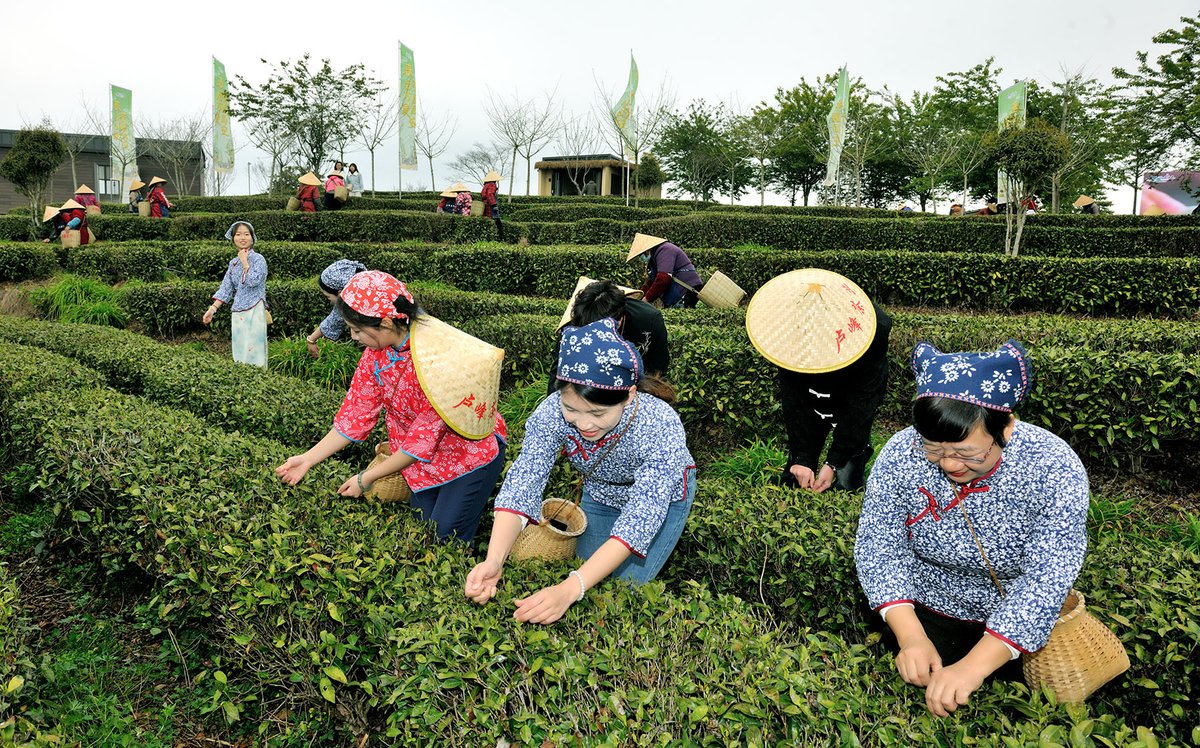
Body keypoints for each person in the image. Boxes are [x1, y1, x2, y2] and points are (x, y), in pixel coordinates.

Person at [854, 340, 1089, 718]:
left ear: (1005, 426)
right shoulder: (901, 452)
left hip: (1011, 624)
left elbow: (1047, 575)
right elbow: (880, 545)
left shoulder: (1052, 465)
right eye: (934, 450)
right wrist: (911, 637)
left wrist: (974, 666)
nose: (949, 464)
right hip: (924, 611)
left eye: (967, 453)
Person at [464, 318, 696, 624]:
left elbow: (640, 519)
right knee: (585, 569)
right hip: (600, 491)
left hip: (663, 499)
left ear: (628, 395)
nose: (584, 424)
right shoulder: (550, 413)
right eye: (571, 409)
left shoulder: (661, 425)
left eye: (598, 413)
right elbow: (524, 482)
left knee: (624, 590)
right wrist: (494, 560)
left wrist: (570, 589)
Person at [275, 271, 508, 543]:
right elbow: (355, 415)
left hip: (468, 456)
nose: (353, 337)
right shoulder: (376, 354)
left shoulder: (437, 359)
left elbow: (419, 443)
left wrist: (365, 479)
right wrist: (308, 459)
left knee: (445, 538)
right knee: (423, 535)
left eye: (357, 330)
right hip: (422, 464)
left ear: (386, 322)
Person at [745, 269, 891, 493]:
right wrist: (802, 457)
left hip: (852, 385)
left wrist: (834, 462)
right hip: (812, 391)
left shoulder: (871, 335)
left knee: (847, 482)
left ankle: (852, 457)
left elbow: (860, 407)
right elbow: (794, 399)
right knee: (795, 478)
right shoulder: (786, 335)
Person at [546, 278, 669, 395]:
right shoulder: (574, 326)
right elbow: (558, 375)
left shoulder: (649, 321)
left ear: (620, 320)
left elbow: (657, 370)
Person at [202, 221, 268, 368]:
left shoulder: (259, 259)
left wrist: (245, 262)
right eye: (238, 234)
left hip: (255, 309)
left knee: (254, 350)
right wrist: (212, 309)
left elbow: (254, 281)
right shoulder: (233, 263)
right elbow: (226, 288)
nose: (242, 238)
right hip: (238, 311)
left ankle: (258, 379)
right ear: (233, 238)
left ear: (252, 238)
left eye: (246, 234)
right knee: (240, 350)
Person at [305, 259, 367, 359]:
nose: (354, 337)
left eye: (328, 296)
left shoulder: (370, 307)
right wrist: (311, 340)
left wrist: (311, 340)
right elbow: (334, 318)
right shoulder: (357, 295)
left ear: (340, 293)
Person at [627, 233, 704, 309]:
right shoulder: (654, 257)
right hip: (679, 290)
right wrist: (639, 296)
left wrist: (647, 299)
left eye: (641, 255)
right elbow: (652, 281)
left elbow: (664, 278)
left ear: (646, 250)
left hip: (686, 289)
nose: (641, 257)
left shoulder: (664, 250)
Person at [481, 170, 504, 240]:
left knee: (488, 220)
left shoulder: (485, 185)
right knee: (497, 221)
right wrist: (494, 204)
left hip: (486, 205)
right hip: (490, 206)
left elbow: (483, 195)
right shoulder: (492, 184)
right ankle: (500, 238)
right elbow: (490, 194)